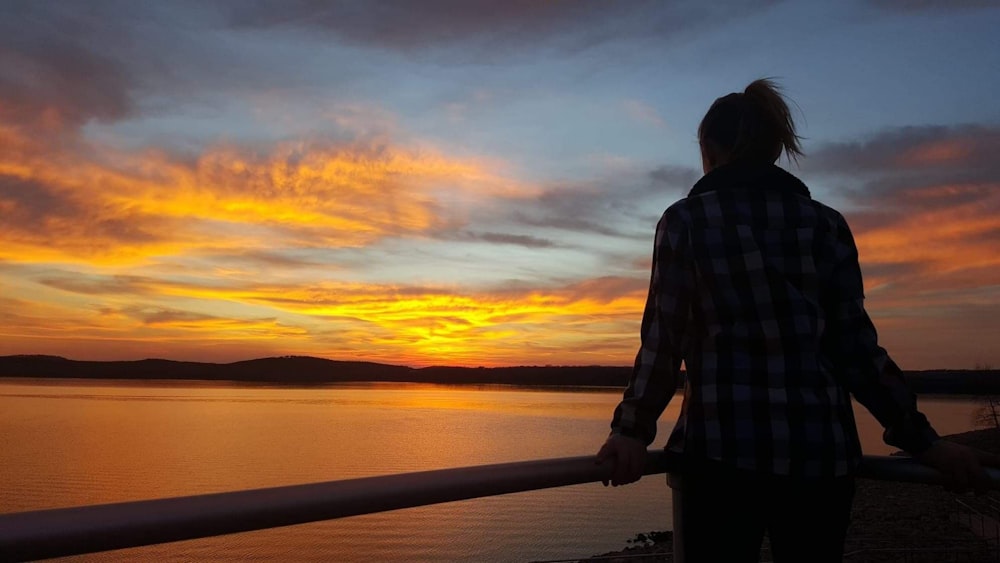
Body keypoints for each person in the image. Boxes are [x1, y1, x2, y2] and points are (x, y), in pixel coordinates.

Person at [595, 78, 1000, 562]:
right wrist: (925, 443)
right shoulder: (826, 224)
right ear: (774, 149)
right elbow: (857, 350)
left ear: (710, 149)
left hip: (720, 458)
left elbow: (663, 342)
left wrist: (632, 431)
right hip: (821, 461)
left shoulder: (686, 221)